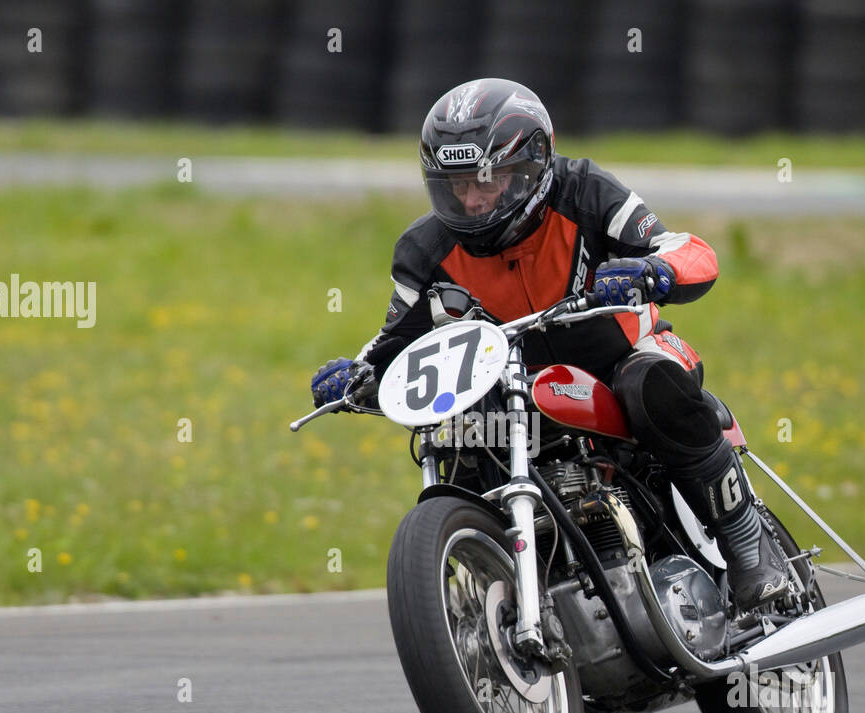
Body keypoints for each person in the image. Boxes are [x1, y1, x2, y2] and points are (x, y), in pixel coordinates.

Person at [310, 78, 788, 612]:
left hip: (623, 357)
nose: (470, 199)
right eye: (455, 185)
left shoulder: (585, 192)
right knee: (464, 438)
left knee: (649, 384)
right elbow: (395, 338)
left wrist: (652, 271)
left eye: (486, 181)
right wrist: (355, 375)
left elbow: (686, 249)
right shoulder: (425, 252)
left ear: (532, 164)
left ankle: (749, 549)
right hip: (518, 388)